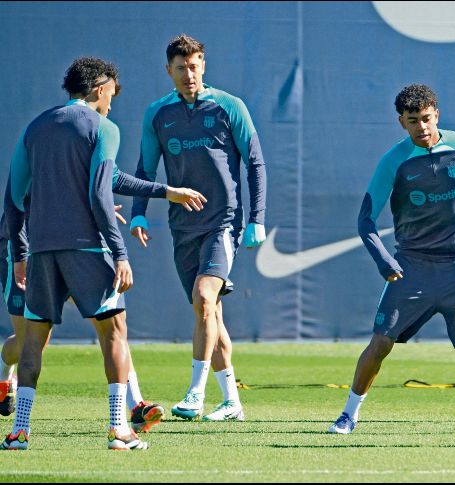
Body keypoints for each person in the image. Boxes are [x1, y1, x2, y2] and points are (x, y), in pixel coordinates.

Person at [0, 56, 203, 450]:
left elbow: (14, 199)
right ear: (99, 87)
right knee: (115, 334)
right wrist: (120, 252)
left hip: (41, 251)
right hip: (89, 248)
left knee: (31, 343)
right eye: (113, 92)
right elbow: (98, 193)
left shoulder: (36, 127)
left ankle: (19, 431)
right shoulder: (103, 127)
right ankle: (118, 428)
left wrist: (21, 253)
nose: (113, 100)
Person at [328, 83, 455, 434]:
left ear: (436, 113)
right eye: (412, 121)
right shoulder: (395, 160)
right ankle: (349, 413)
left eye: (426, 118)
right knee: (381, 343)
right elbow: (365, 220)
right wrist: (382, 260)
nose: (421, 127)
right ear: (401, 122)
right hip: (412, 267)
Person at [130, 34, 267, 422]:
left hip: (224, 222)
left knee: (205, 299)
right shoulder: (158, 113)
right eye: (181, 68)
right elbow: (145, 169)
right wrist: (139, 212)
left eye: (194, 66)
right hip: (182, 227)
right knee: (210, 313)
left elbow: (255, 163)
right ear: (168, 70)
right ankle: (232, 402)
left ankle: (194, 392)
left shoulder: (229, 106)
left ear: (203, 65)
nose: (189, 74)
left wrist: (256, 218)